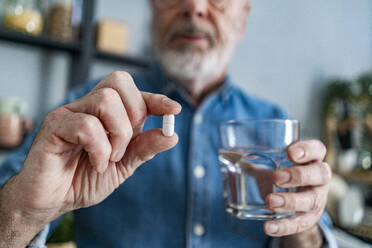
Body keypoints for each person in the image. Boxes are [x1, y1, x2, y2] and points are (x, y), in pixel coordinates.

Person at [0, 0, 336, 247]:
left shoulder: (278, 126)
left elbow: (306, 234)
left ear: (243, 17)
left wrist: (304, 231)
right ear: (152, 9)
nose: (195, 7)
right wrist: (23, 212)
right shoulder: (87, 110)